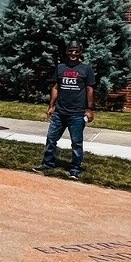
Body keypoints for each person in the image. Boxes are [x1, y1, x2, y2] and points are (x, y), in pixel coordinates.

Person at [43, 41, 97, 179]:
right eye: (71, 51)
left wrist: (89, 109)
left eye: (76, 51)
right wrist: (51, 106)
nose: (73, 54)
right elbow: (55, 87)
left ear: (80, 53)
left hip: (77, 114)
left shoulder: (86, 69)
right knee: (51, 138)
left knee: (76, 143)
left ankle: (75, 169)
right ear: (67, 51)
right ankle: (48, 163)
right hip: (60, 112)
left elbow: (90, 89)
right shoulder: (60, 68)